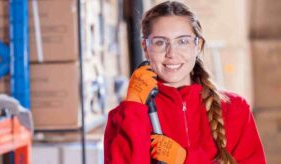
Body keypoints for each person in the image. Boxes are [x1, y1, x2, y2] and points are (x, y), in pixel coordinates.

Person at [104, 1, 266, 164]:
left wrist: (186, 159)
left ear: (198, 45)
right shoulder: (123, 117)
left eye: (182, 41)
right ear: (145, 48)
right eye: (160, 42)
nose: (172, 53)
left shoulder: (235, 109)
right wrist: (133, 108)